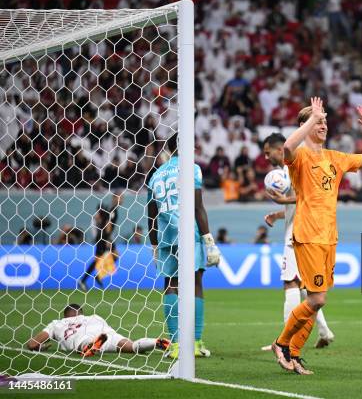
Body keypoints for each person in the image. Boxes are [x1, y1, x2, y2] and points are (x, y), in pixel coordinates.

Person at [270, 97, 362, 375]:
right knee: (316, 299)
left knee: (316, 302)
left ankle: (293, 355)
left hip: (329, 236)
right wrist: (311, 118)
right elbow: (287, 147)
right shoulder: (300, 157)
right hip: (307, 234)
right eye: (319, 122)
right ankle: (282, 344)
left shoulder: (334, 158)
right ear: (306, 126)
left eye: (325, 121)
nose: (323, 126)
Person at [147, 133, 221, 359]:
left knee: (170, 282)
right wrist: (209, 241)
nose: (196, 147)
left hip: (166, 236)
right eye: (193, 143)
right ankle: (196, 342)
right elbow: (198, 208)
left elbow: (151, 216)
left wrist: (154, 245)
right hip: (190, 233)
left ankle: (177, 344)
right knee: (196, 281)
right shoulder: (193, 169)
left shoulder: (156, 175)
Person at [261, 133, 335, 353]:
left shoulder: (290, 168)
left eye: (268, 152)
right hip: (302, 232)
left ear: (278, 149)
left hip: (297, 236)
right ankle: (324, 332)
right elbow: (299, 203)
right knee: (307, 290)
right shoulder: (286, 170)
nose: (265, 157)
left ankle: (285, 340)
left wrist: (283, 200)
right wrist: (278, 213)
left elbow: (308, 195)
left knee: (290, 283)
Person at [26, 304, 169, 356]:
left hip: (85, 337)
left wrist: (41, 346)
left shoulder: (57, 323)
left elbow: (32, 344)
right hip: (105, 333)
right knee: (131, 346)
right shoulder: (93, 316)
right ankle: (155, 342)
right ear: (81, 312)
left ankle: (89, 346)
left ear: (65, 315)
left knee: (81, 341)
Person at [78, 193, 122, 291]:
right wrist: (107, 240)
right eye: (119, 197)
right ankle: (83, 280)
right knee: (98, 260)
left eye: (122, 198)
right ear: (114, 198)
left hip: (105, 237)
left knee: (115, 255)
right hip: (103, 238)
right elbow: (108, 225)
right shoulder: (113, 210)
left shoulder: (113, 209)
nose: (121, 200)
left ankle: (98, 275)